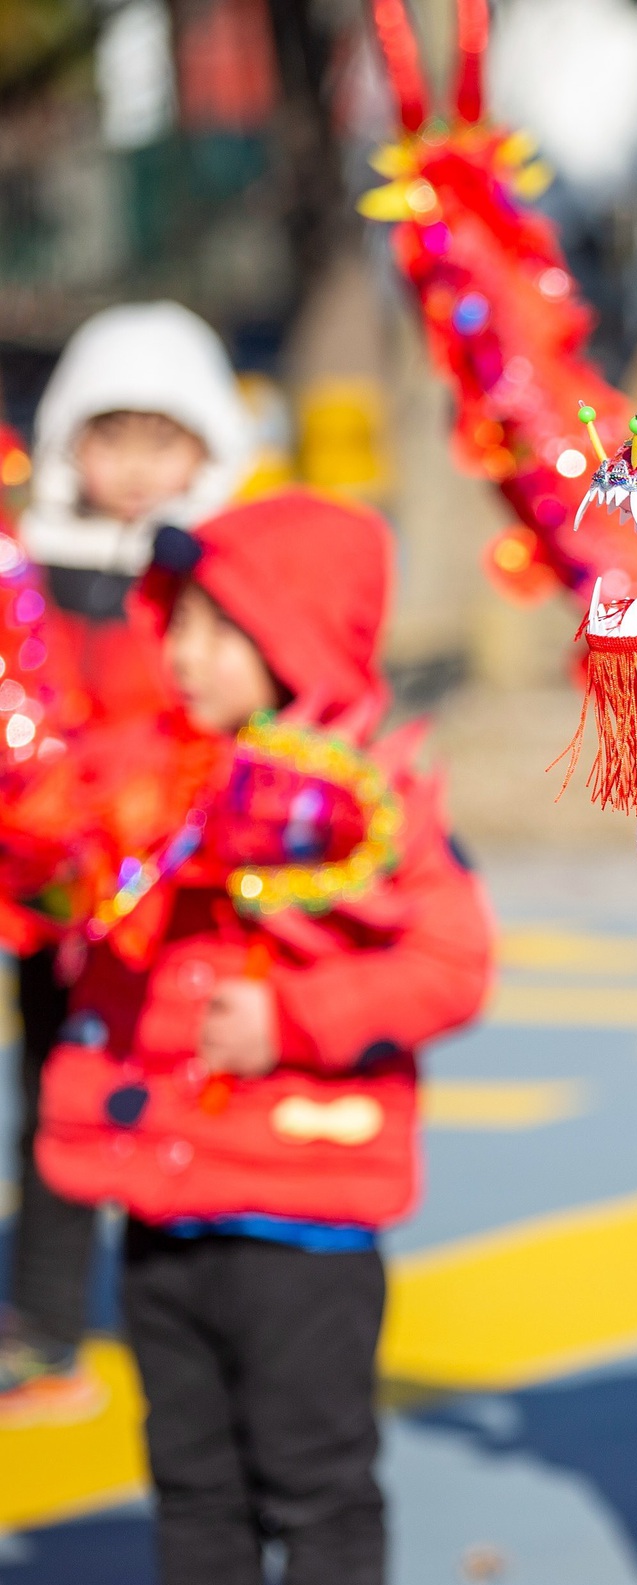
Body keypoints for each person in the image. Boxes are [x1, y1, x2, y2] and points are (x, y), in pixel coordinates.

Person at [34, 492, 493, 1585]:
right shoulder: (143, 777)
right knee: (189, 1467)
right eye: (171, 623)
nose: (178, 653)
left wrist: (293, 1014)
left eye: (214, 628)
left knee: (316, 1473)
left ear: (292, 646)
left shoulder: (368, 791)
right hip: (167, 1190)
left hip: (305, 1209)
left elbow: (453, 964)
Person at [0, 303, 255, 1419]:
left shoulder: (219, 571)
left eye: (166, 440)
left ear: (207, 448)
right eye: (115, 439)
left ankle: (194, 1325)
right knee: (56, 1097)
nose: (140, 466)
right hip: (53, 894)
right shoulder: (30, 568)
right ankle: (47, 1326)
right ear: (72, 443)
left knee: (180, 1100)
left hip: (175, 893)